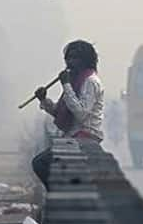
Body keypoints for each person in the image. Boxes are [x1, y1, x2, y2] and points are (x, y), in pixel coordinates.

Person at [31, 40, 105, 189]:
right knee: (41, 163)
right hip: (72, 137)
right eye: (68, 59)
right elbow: (58, 112)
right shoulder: (74, 81)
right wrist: (44, 100)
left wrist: (66, 85)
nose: (70, 62)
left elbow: (81, 113)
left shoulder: (91, 82)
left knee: (41, 163)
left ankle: (58, 194)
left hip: (86, 138)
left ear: (85, 61)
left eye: (75, 58)